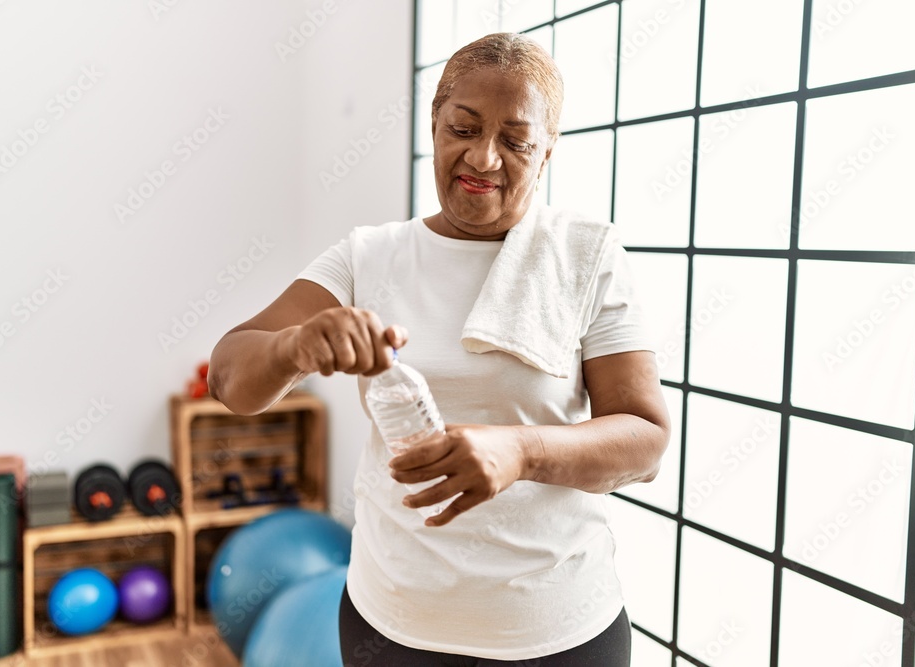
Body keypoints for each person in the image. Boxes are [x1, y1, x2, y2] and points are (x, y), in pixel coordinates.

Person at [209, 32, 670, 667]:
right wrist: (295, 345)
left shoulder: (586, 256)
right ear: (435, 123)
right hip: (393, 629)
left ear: (547, 151)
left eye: (515, 141)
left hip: (560, 631)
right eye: (463, 128)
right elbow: (231, 377)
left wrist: (521, 450)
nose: (482, 158)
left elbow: (645, 443)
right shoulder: (369, 256)